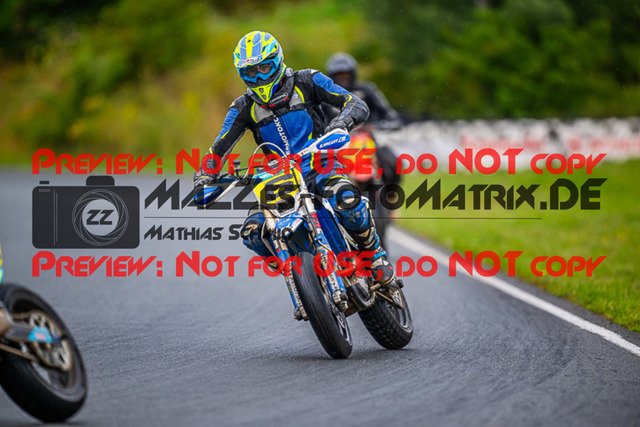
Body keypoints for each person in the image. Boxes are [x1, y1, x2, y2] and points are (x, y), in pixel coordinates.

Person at [193, 31, 395, 286]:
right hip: (279, 179)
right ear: (241, 74)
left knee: (347, 199)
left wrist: (341, 122)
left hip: (321, 164)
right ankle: (298, 273)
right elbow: (217, 150)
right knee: (252, 233)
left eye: (264, 68)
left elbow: (355, 104)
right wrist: (204, 175)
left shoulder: (308, 79)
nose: (259, 77)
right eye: (250, 72)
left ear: (277, 61)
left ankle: (374, 256)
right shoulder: (241, 107)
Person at [325, 52, 403, 186]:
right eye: (339, 75)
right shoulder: (325, 97)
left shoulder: (367, 90)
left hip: (369, 142)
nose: (343, 79)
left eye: (346, 74)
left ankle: (390, 196)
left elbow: (391, 117)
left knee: (392, 163)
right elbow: (317, 124)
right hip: (338, 147)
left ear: (353, 74)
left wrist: (375, 126)